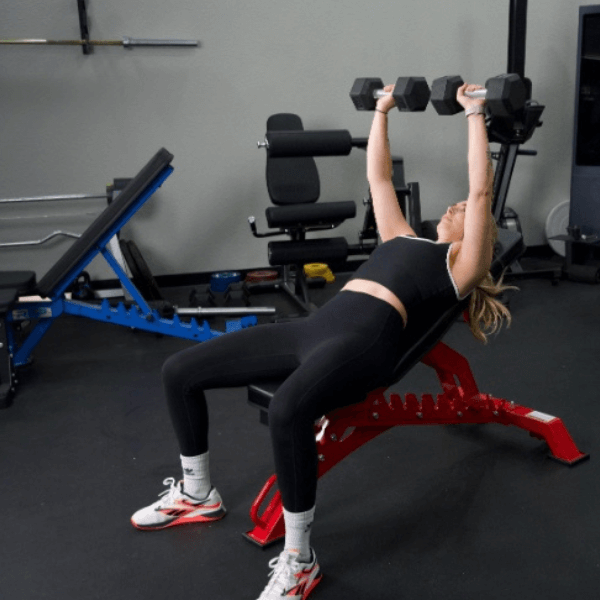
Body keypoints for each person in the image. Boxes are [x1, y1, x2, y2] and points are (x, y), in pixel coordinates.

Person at [129, 81, 513, 600]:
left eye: (461, 210)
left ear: (479, 229)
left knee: (290, 409)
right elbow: (378, 176)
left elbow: (482, 192)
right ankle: (198, 493)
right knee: (179, 370)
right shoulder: (402, 237)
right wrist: (382, 109)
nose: (453, 207)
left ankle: (300, 559)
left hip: (363, 343)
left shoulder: (459, 268)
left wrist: (474, 115)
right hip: (316, 329)